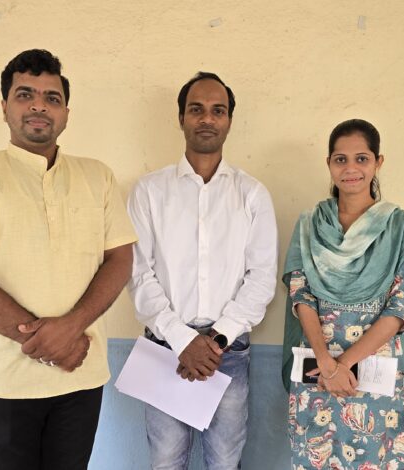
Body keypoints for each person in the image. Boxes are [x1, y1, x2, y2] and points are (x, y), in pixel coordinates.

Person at [0, 49, 137, 470]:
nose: (39, 105)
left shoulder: (97, 176)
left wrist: (71, 329)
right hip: (2, 380)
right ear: (4, 107)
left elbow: (119, 259)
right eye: (25, 94)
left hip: (80, 375)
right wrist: (50, 344)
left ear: (66, 114)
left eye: (52, 98)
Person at [127, 71, 278, 469]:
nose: (207, 119)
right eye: (196, 109)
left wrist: (214, 340)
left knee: (225, 463)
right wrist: (182, 341)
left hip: (227, 352)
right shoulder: (149, 191)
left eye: (217, 110)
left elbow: (262, 277)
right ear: (181, 118)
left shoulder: (252, 194)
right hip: (165, 348)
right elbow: (138, 274)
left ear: (229, 120)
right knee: (165, 462)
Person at [282, 119, 404, 469]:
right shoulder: (310, 226)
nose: (350, 168)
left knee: (373, 459)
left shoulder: (402, 228)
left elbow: (399, 310)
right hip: (317, 374)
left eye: (361, 158)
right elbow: (301, 297)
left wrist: (343, 366)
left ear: (378, 162)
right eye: (341, 159)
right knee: (316, 458)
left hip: (373, 377)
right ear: (329, 163)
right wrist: (326, 364)